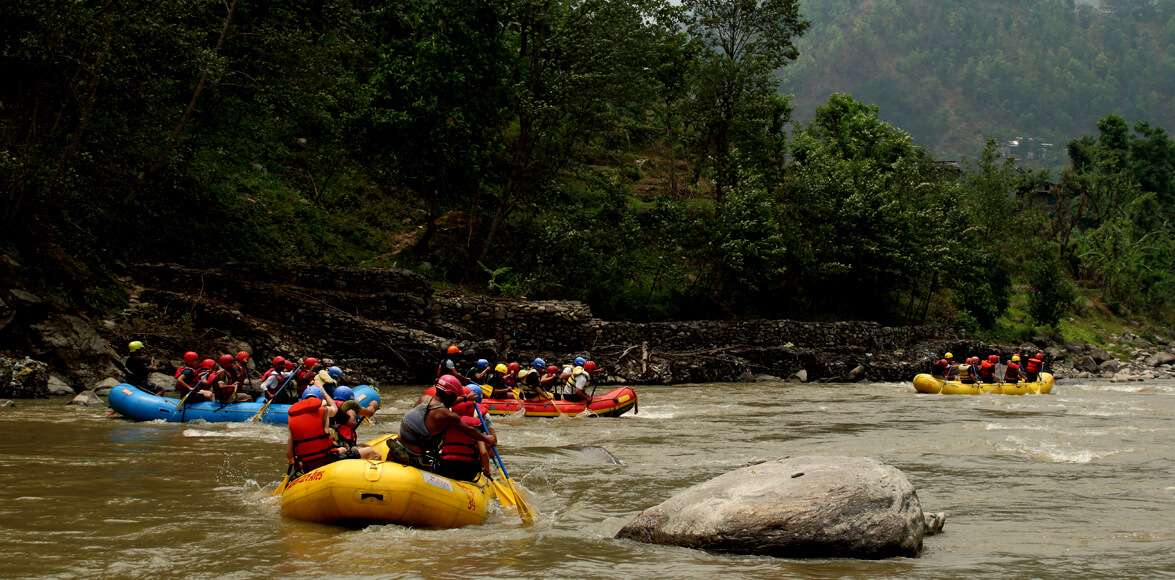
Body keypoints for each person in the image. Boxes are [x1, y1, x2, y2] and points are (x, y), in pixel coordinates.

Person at [389, 375, 496, 474]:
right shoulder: (447, 415)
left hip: (400, 442)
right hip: (414, 454)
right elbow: (469, 430)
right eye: (455, 395)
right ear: (450, 395)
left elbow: (445, 403)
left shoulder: (425, 399)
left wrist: (465, 398)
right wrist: (487, 439)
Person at [436, 389, 493, 482]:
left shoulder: (446, 422)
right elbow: (483, 452)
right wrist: (486, 471)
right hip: (467, 467)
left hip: (445, 464)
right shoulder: (476, 425)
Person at [286, 386, 344, 475]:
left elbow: (289, 455)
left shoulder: (292, 418)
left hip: (307, 465)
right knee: (346, 449)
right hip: (326, 460)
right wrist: (324, 392)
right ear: (319, 400)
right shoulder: (324, 411)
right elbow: (335, 408)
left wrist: (292, 461)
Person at [328, 386, 381, 460]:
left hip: (334, 444)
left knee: (364, 445)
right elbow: (369, 413)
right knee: (375, 453)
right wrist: (373, 405)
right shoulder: (349, 406)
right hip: (345, 444)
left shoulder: (329, 406)